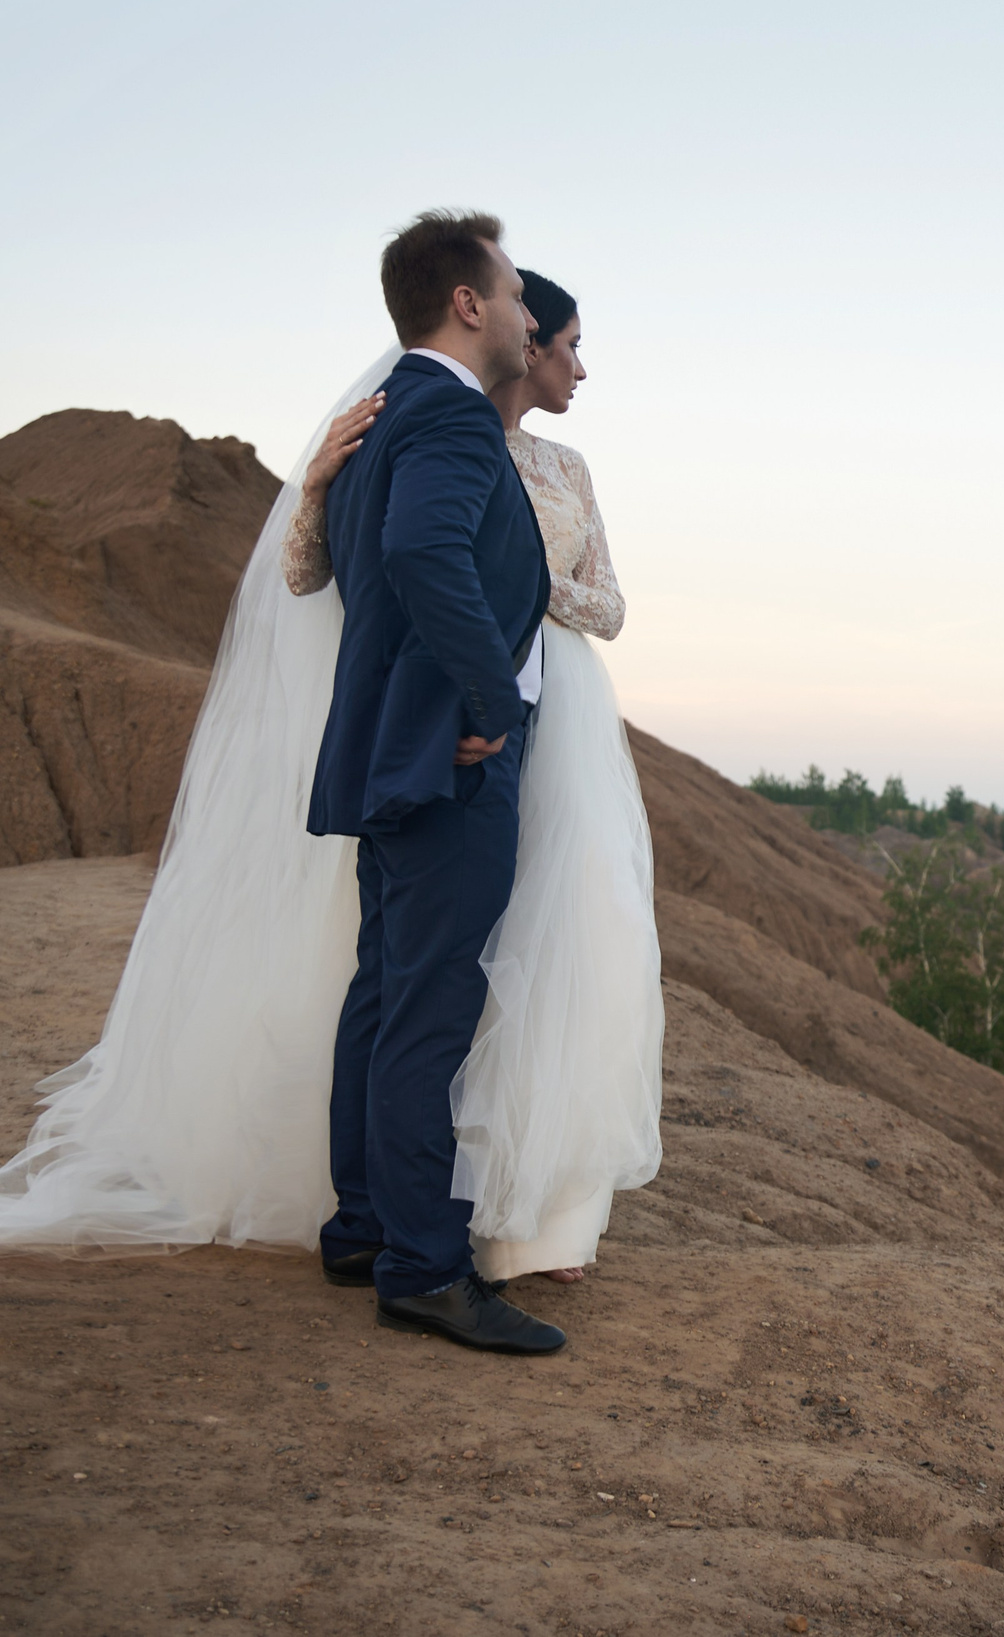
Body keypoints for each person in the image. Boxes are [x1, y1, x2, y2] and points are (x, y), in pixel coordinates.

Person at [0, 211, 660, 1362]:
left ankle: (361, 1222)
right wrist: (489, 706)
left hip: (391, 757)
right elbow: (418, 557)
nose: (519, 310)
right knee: (427, 1010)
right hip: (449, 763)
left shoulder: (375, 428)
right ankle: (420, 1264)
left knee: (386, 988)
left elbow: (366, 572)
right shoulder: (450, 423)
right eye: (511, 293)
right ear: (469, 303)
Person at [286, 264, 661, 1296]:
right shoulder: (424, 435)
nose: (580, 367)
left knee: (537, 953)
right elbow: (322, 573)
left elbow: (610, 604)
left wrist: (522, 587)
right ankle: (415, 1235)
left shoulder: (564, 468)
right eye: (570, 344)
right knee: (425, 980)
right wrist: (316, 484)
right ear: (519, 337)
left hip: (560, 727)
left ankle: (505, 1209)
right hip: (465, 728)